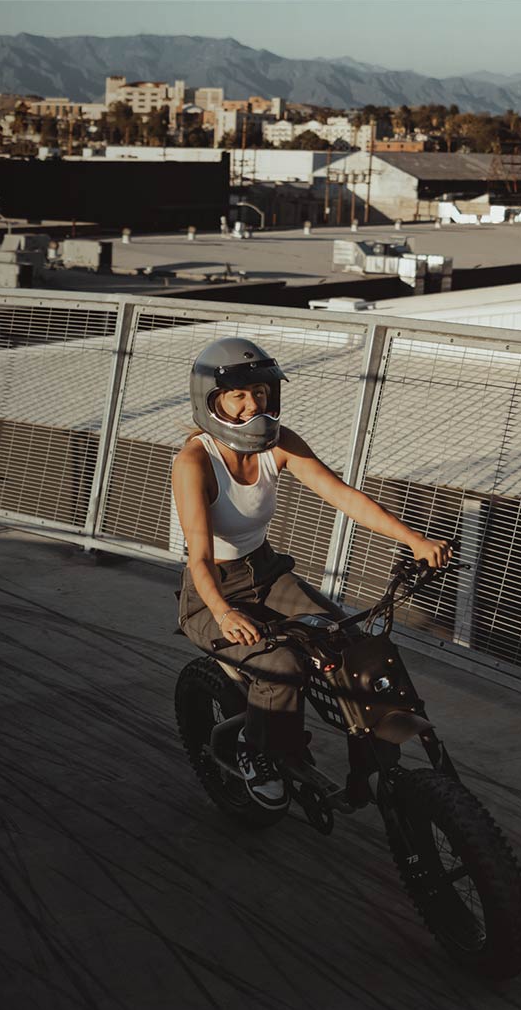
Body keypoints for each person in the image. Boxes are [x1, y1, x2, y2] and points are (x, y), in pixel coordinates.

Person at [173, 337, 451, 810]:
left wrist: (415, 541)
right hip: (212, 592)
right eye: (239, 395)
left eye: (260, 392)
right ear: (212, 400)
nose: (253, 404)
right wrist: (222, 613)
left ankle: (374, 756)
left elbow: (344, 497)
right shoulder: (195, 462)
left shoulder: (278, 444)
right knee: (282, 665)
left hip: (267, 573)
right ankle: (255, 751)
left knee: (353, 643)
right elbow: (198, 558)